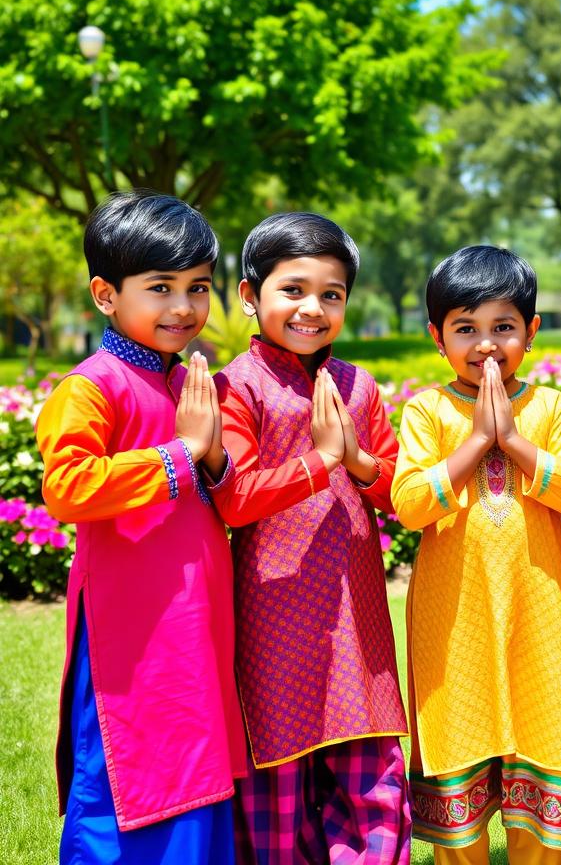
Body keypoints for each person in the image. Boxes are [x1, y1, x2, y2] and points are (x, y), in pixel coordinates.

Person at [35, 190, 247, 864]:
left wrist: (211, 456)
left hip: (194, 624)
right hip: (132, 631)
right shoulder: (92, 386)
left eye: (197, 287)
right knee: (131, 769)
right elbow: (68, 487)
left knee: (199, 759)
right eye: (161, 288)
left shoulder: (184, 380)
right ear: (105, 294)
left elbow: (216, 487)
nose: (184, 308)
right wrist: (182, 454)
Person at [392, 246, 561, 864]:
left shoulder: (551, 409)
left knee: (540, 734)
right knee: (459, 735)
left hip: (537, 611)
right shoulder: (427, 411)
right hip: (450, 619)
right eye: (466, 329)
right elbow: (409, 504)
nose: (486, 345)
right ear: (437, 336)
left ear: (532, 332)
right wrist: (477, 443)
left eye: (503, 327)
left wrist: (511, 439)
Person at [209, 213, 410, 865]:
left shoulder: (358, 385)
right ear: (249, 295)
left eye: (332, 294)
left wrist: (357, 464)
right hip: (274, 621)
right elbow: (234, 499)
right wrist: (320, 463)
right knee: (280, 781)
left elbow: (398, 493)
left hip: (359, 622)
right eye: (292, 290)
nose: (313, 309)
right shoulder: (236, 386)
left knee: (373, 776)